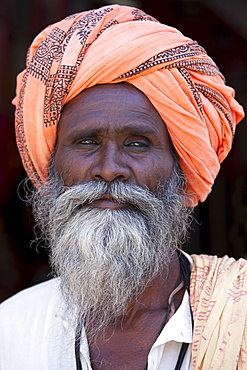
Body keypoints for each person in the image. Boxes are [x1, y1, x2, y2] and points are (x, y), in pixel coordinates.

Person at [0, 4, 246, 370]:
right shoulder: (12, 331)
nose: (109, 169)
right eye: (86, 142)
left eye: (137, 143)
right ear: (51, 169)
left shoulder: (238, 312)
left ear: (181, 168)